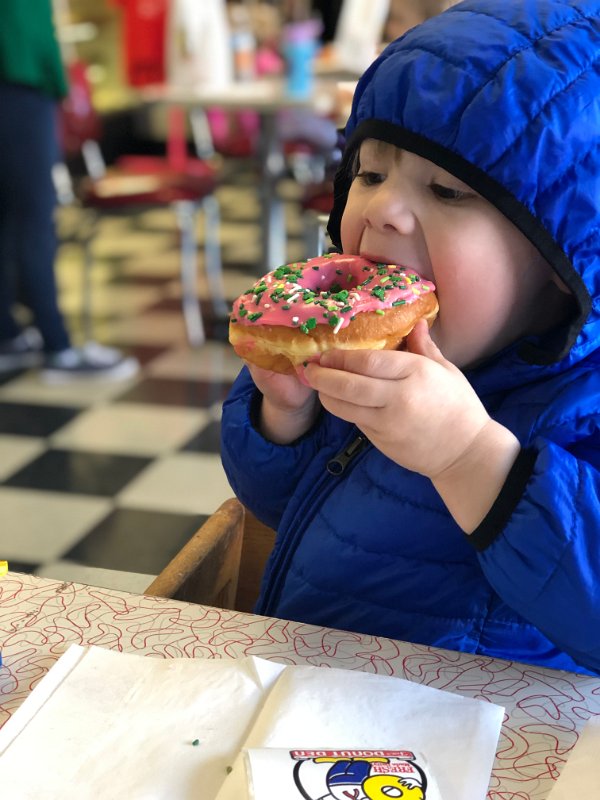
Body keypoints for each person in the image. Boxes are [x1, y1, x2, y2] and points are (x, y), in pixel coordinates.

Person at [221, 0, 600, 675]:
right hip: (314, 702)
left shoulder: (582, 408)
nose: (383, 210)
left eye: (448, 191)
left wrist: (469, 458)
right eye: (369, 174)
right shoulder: (368, 356)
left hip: (476, 729)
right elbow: (284, 509)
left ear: (562, 258)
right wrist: (285, 418)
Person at [0, 0, 138, 382]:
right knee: (34, 217)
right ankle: (57, 348)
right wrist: (60, 83)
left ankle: (7, 335)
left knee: (8, 216)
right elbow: (28, 31)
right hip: (20, 83)